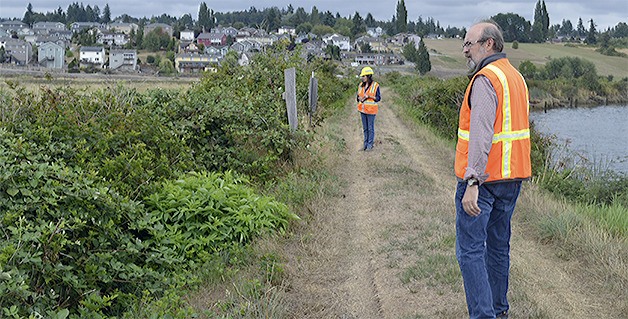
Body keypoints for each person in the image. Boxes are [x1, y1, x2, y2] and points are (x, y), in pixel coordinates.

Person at [454, 21, 531, 319]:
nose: (464, 50)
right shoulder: (516, 77)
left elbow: (482, 132)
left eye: (469, 43)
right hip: (511, 180)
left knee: (471, 251)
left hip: (483, 181)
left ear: (489, 44)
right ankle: (499, 311)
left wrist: (472, 179)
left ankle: (484, 315)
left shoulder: (486, 79)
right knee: (498, 248)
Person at [356, 66, 381, 151]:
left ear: (368, 76)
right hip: (363, 110)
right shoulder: (360, 85)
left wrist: (369, 96)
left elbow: (378, 98)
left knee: (370, 128)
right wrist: (359, 98)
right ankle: (365, 144)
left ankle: (370, 145)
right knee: (365, 128)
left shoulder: (375, 85)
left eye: (364, 76)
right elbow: (358, 96)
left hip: (371, 111)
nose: (362, 78)